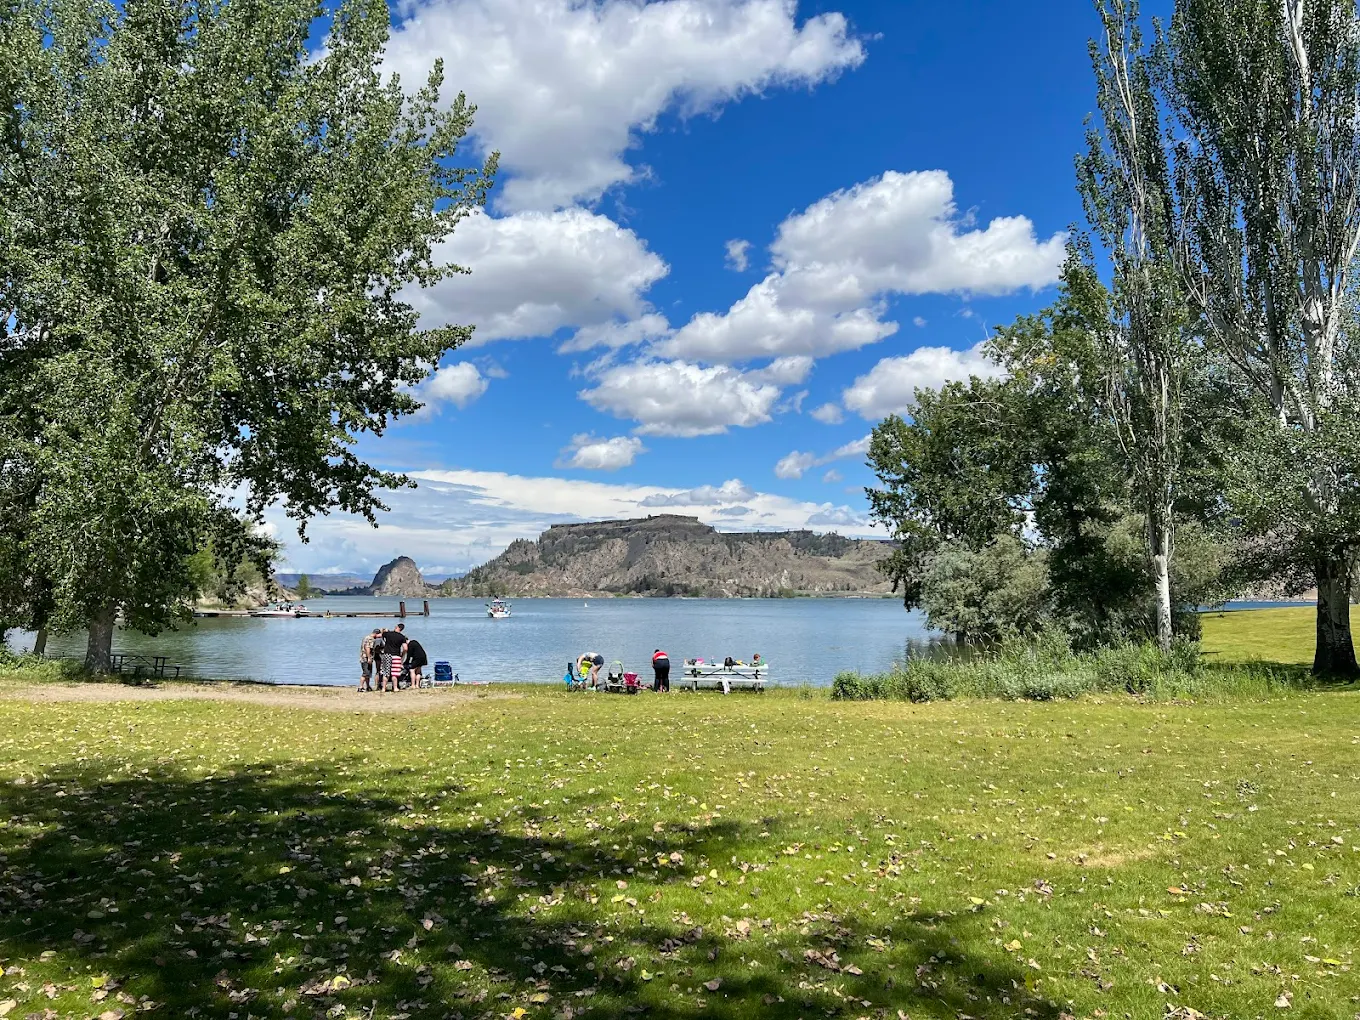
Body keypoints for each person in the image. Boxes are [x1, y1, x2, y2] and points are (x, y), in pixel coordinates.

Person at [380, 623, 407, 693]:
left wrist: (384, 630)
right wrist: (402, 654)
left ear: (396, 627)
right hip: (396, 656)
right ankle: (395, 688)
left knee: (386, 673)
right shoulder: (402, 637)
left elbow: (382, 635)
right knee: (395, 673)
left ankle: (383, 688)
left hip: (387, 655)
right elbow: (405, 648)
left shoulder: (388, 634)